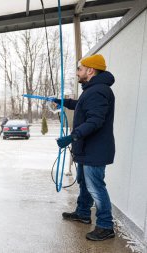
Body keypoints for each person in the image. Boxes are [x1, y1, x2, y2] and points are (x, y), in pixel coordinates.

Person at [54, 54, 116, 241]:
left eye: (80, 69)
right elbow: (83, 106)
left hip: (95, 150)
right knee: (84, 183)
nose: (77, 73)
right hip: (87, 149)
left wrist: (73, 136)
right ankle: (82, 213)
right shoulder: (92, 89)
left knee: (96, 187)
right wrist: (63, 102)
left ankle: (106, 226)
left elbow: (95, 120)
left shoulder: (98, 91)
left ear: (90, 70)